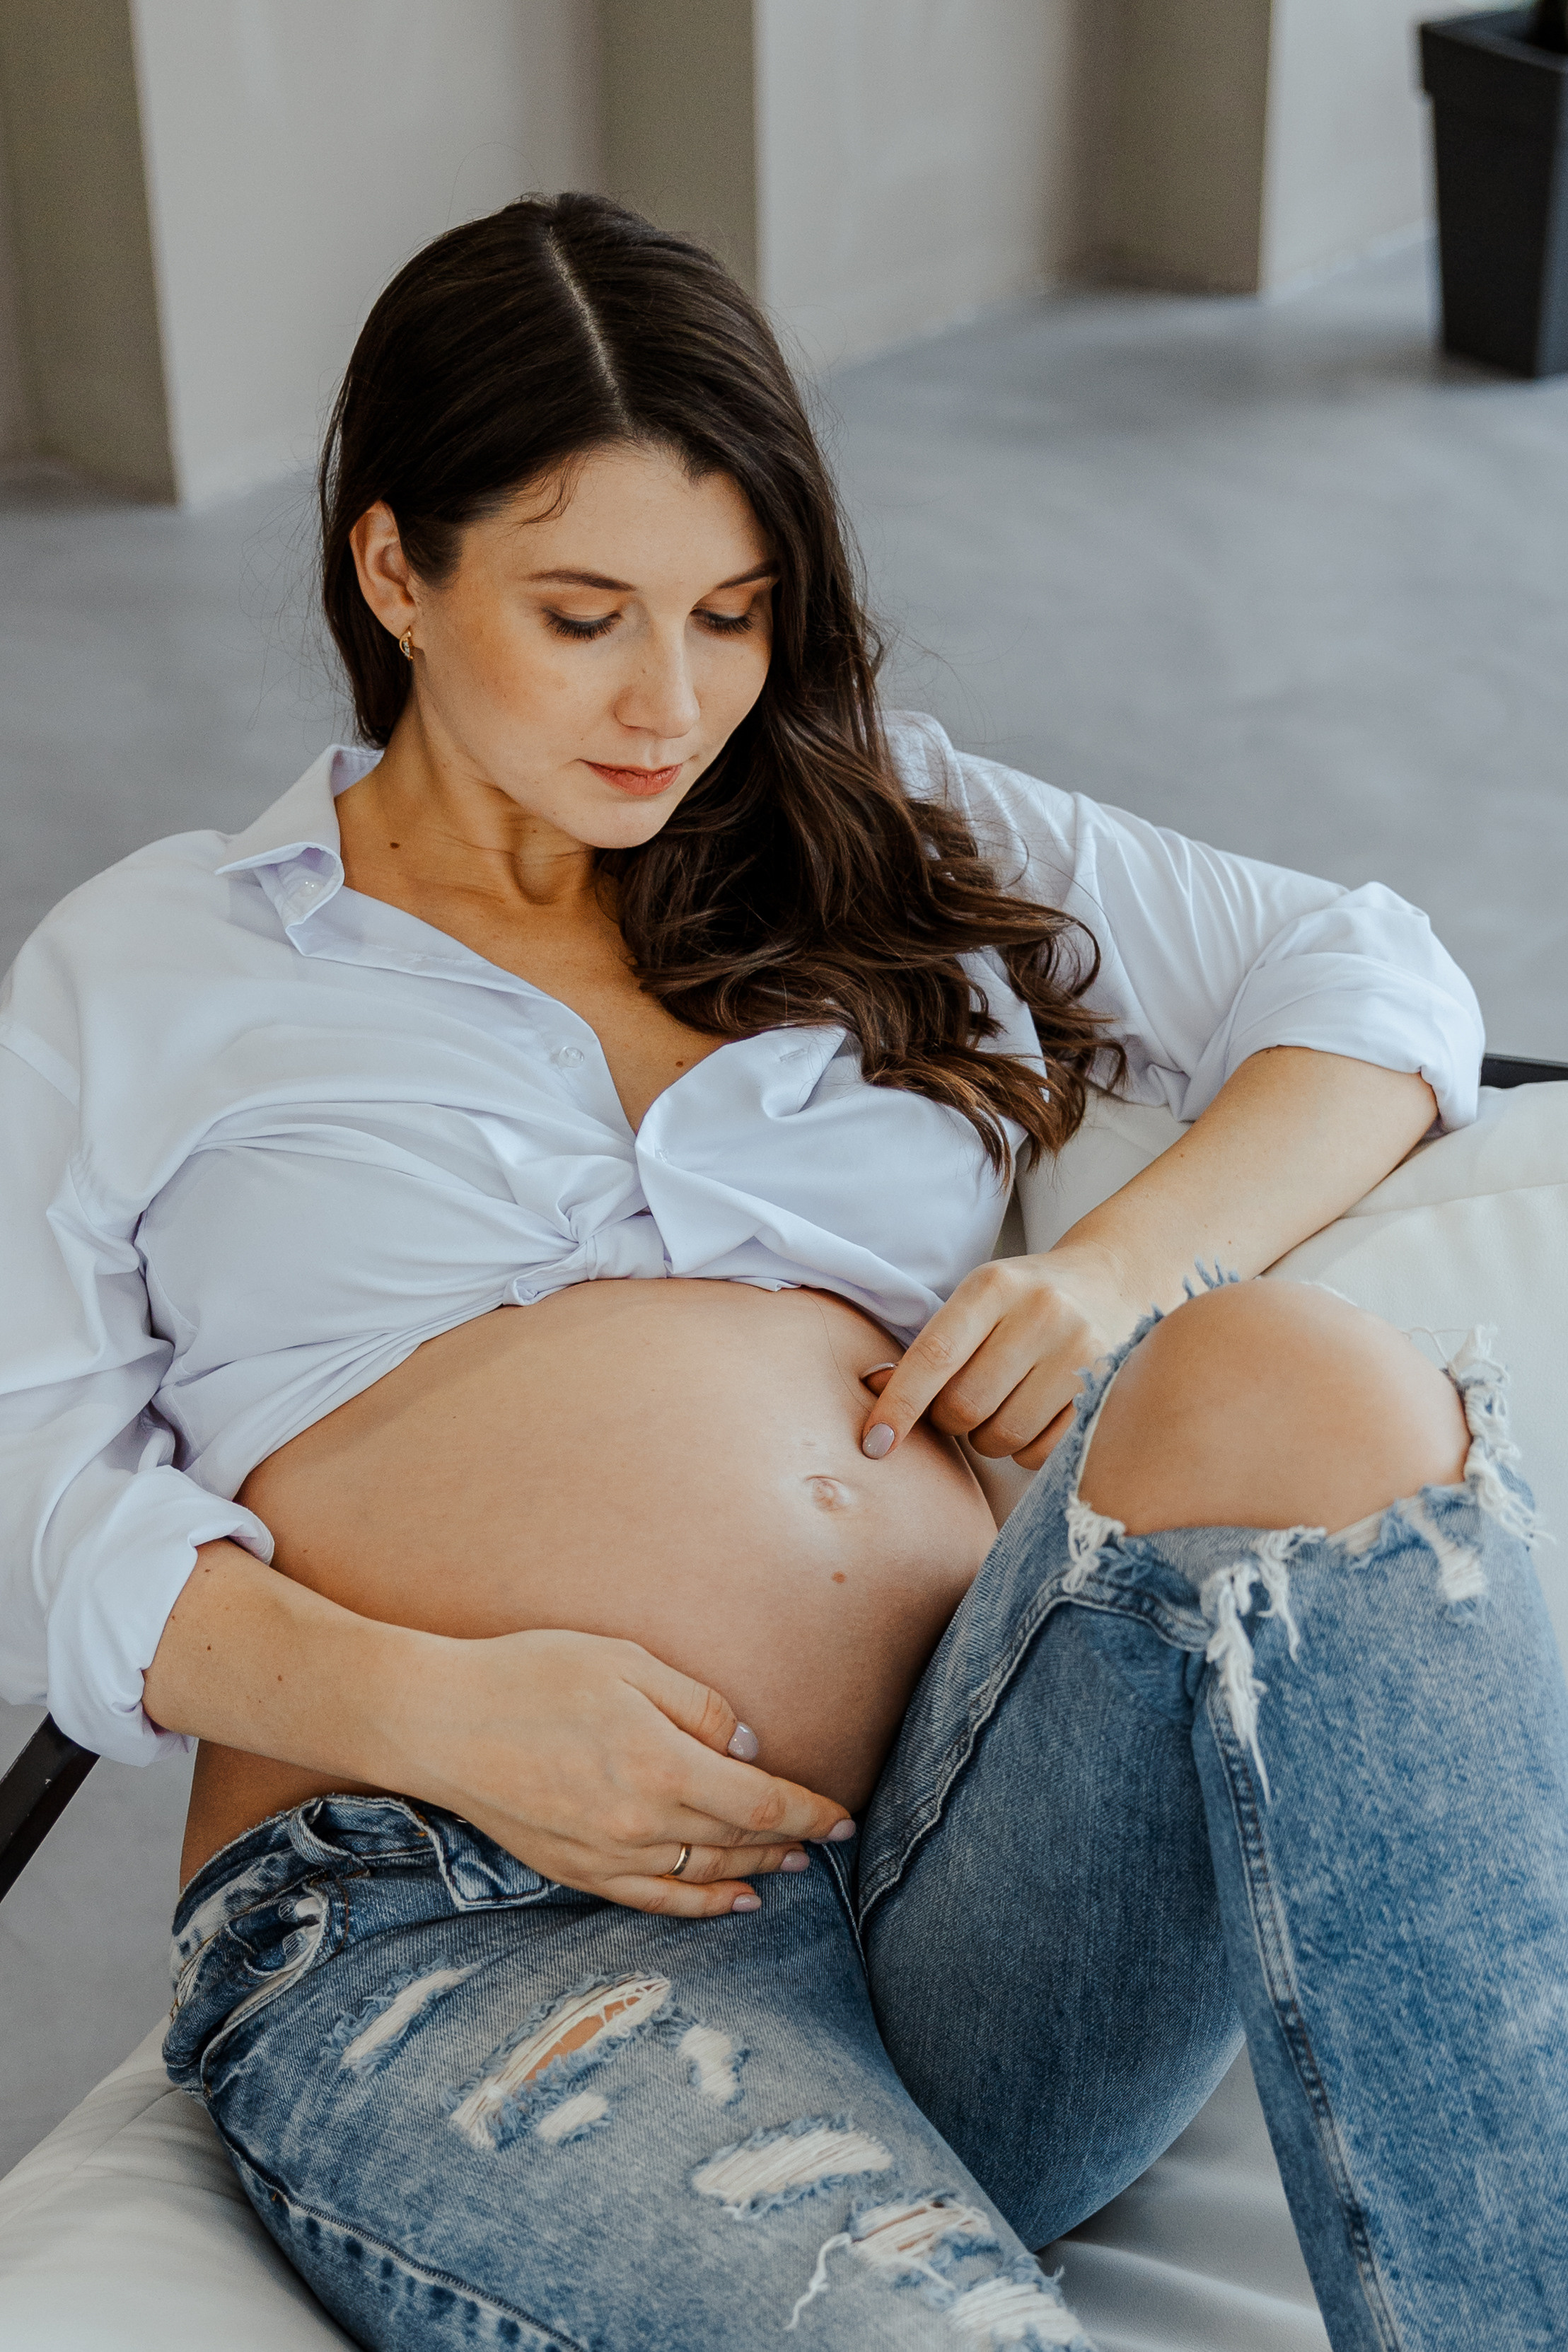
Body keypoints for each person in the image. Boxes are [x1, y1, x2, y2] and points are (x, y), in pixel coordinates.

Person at [1, 193, 1562, 2352]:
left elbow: (1367, 981)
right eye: (583, 615)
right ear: (394, 570)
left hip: (970, 1858)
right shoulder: (149, 961)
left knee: (1300, 1378)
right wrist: (431, 1707)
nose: (674, 703)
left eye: (733, 615)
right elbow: (28, 1496)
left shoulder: (874, 819)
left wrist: (1111, 1279)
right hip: (467, 1912)